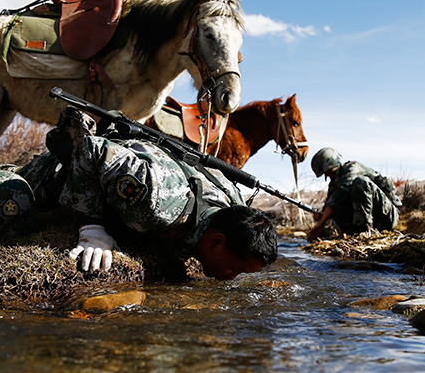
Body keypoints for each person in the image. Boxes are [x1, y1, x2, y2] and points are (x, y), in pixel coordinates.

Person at [16, 106, 279, 280]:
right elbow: (90, 149)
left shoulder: (233, 203)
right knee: (3, 198)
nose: (232, 277)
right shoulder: (158, 203)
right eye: (235, 268)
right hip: (57, 171)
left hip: (140, 160)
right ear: (216, 242)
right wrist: (92, 228)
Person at [306, 147, 402, 241]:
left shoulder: (352, 168)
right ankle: (357, 233)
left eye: (328, 172)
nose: (328, 176)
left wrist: (321, 222)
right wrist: (321, 216)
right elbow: (330, 206)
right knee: (334, 210)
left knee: (360, 182)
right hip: (372, 221)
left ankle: (365, 232)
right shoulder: (334, 185)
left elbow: (339, 196)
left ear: (335, 166)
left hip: (387, 217)